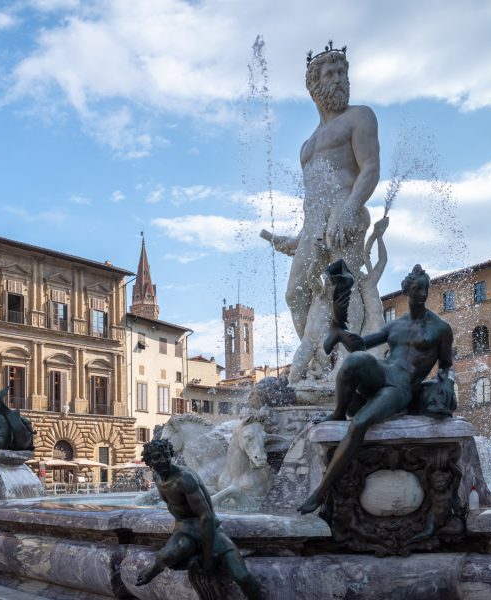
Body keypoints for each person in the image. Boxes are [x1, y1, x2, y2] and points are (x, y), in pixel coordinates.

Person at [262, 43, 381, 373]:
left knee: (345, 286)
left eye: (343, 72)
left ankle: (350, 365)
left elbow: (370, 168)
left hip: (347, 214)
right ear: (314, 86)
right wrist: (298, 238)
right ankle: (321, 365)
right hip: (314, 225)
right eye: (331, 73)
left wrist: (348, 210)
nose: (340, 79)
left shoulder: (359, 116)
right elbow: (314, 198)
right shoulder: (307, 144)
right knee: (295, 294)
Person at [299, 264, 453, 515]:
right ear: (407, 291)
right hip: (384, 371)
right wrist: (340, 331)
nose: (422, 294)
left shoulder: (440, 328)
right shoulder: (395, 326)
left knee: (359, 424)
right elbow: (359, 345)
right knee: (355, 360)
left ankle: (322, 490)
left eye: (425, 289)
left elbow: (447, 365)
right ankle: (338, 412)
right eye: (416, 289)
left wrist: (445, 381)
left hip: (401, 387)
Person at [135, 439, 262, 600]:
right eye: (157, 457)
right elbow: (175, 511)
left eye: (166, 456)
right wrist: (177, 539)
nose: (163, 460)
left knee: (242, 576)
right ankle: (153, 570)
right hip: (186, 531)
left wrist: (208, 559)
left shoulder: (184, 479)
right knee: (166, 556)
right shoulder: (158, 478)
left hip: (209, 531)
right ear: (149, 462)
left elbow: (207, 517)